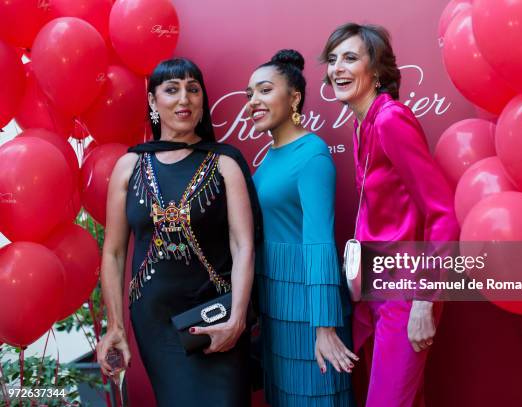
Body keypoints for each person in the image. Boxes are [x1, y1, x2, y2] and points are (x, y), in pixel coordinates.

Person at [96, 57, 262, 407]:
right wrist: (115, 327)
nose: (184, 99)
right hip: (156, 327)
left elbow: (244, 246)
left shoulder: (224, 163)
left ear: (202, 101)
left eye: (193, 89)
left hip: (217, 318)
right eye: (171, 90)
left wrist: (237, 319)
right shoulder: (130, 166)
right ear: (154, 102)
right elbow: (113, 253)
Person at [321, 24, 459, 406]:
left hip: (406, 288)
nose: (337, 68)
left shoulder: (390, 120)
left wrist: (424, 300)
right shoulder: (362, 124)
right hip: (376, 287)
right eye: (333, 60)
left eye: (350, 58)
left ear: (377, 71)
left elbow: (443, 214)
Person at [247, 49, 357, 406]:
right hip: (277, 309)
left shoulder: (312, 154)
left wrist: (324, 326)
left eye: (264, 90)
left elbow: (319, 242)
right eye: (250, 94)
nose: (254, 101)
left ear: (293, 97)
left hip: (310, 313)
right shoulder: (269, 158)